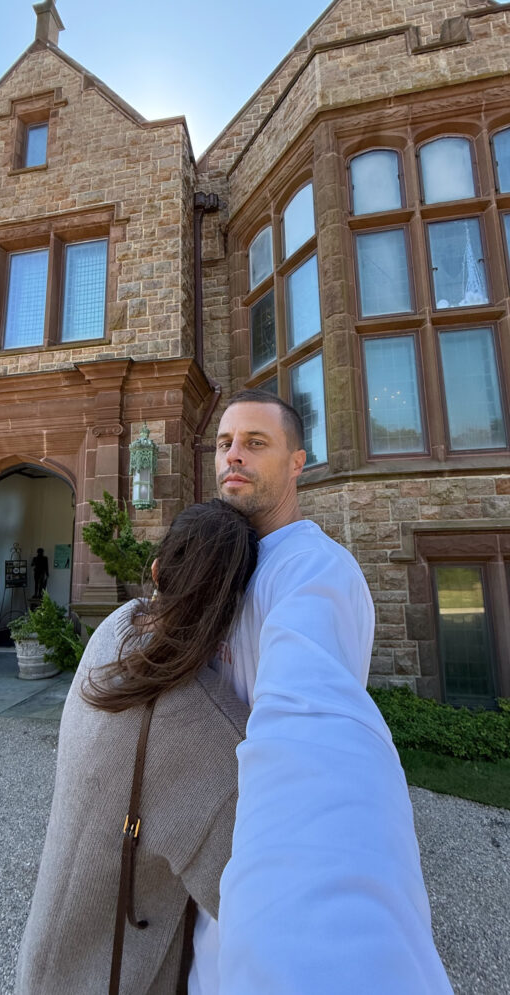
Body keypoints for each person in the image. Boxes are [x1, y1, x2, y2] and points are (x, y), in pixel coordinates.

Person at [190, 389, 453, 994]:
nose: (234, 456)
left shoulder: (312, 571)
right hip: (212, 873)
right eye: (225, 443)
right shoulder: (228, 567)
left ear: (296, 463)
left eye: (256, 443)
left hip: (268, 881)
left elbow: (311, 731)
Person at [15, 500, 258, 995]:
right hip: (110, 976)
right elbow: (258, 904)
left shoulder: (115, 629)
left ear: (156, 571)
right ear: (237, 604)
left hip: (45, 953)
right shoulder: (211, 733)